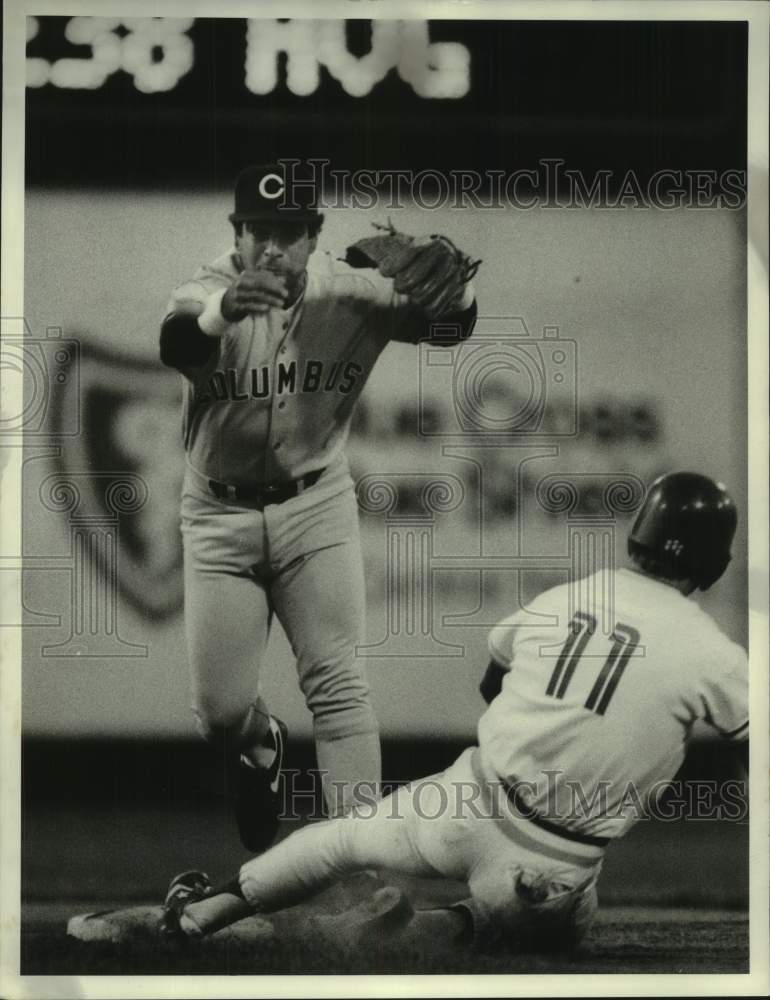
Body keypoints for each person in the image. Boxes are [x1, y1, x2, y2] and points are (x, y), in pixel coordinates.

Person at [68, 471, 748, 953]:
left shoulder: (572, 595)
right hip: (552, 861)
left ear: (639, 535)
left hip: (462, 804)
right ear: (715, 563)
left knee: (336, 842)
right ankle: (445, 928)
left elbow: (494, 678)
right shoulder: (714, 655)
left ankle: (195, 916)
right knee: (548, 926)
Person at [157, 163, 478, 850]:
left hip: (316, 506)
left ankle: (358, 865)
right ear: (236, 236)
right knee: (219, 713)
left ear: (315, 237)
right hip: (218, 514)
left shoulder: (353, 292)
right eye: (259, 232)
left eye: (290, 233)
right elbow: (175, 344)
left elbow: (452, 330)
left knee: (338, 685)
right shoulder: (208, 291)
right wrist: (222, 311)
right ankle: (260, 743)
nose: (273, 249)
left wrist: (463, 289)